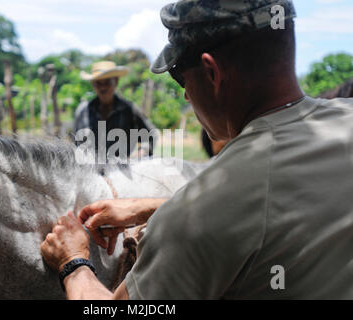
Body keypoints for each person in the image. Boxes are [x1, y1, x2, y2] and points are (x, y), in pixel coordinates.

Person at [41, 0, 353, 299]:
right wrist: (156, 206)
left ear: (212, 73)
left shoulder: (194, 219)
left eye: (179, 77)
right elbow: (281, 200)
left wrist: (74, 263)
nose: (187, 97)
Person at [73, 61, 157, 160]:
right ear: (93, 84)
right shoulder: (83, 111)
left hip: (121, 171)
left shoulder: (129, 110)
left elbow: (151, 135)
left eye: (107, 82)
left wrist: (141, 153)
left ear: (116, 82)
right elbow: (75, 143)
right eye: (98, 83)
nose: (103, 87)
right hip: (89, 171)